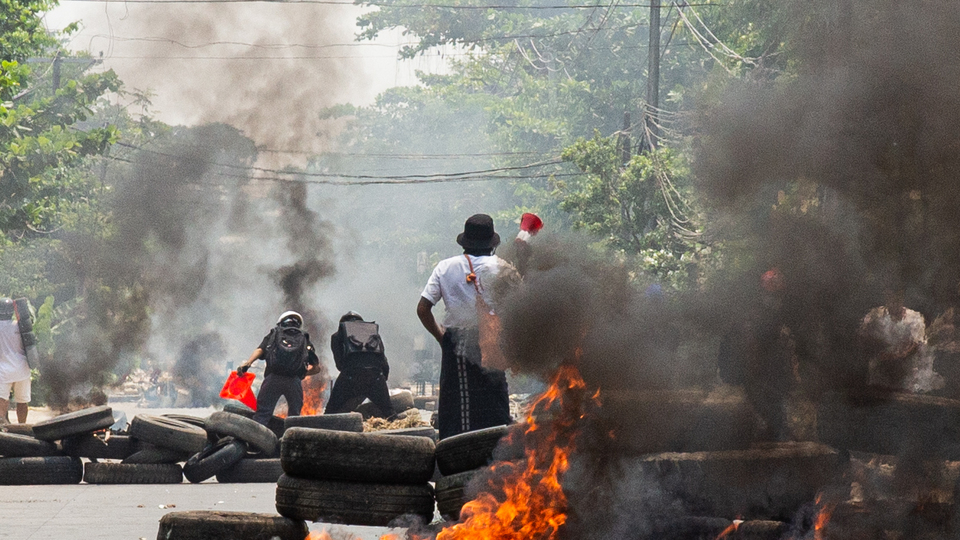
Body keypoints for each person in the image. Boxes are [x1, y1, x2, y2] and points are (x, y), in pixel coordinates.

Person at [417, 213, 514, 439]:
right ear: (492, 242)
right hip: (494, 343)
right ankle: (498, 456)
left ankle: (455, 457)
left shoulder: (445, 267)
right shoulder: (504, 268)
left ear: (465, 241)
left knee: (459, 406)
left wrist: (442, 337)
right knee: (494, 399)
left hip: (458, 344)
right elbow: (517, 311)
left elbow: (423, 309)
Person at [236, 310, 321, 425]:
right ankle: (290, 441)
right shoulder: (304, 338)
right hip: (294, 382)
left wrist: (248, 363)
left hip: (272, 379)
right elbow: (316, 368)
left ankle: (254, 441)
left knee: (262, 415)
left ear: (280, 323)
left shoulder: (275, 333)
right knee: (294, 418)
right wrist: (301, 374)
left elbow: (261, 349)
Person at [859, 288, 942, 393]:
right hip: (880, 372)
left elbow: (915, 345)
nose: (894, 301)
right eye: (890, 297)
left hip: (905, 374)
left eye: (898, 297)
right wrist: (879, 352)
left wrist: (897, 355)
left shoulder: (914, 318)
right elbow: (865, 338)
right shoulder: (874, 316)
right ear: (886, 296)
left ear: (902, 298)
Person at [324, 311, 394, 417]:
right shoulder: (374, 334)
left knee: (330, 414)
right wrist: (380, 381)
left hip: (350, 376)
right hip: (375, 376)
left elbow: (339, 365)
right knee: (390, 414)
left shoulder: (337, 335)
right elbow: (384, 362)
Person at [0, 298, 30, 424]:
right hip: (23, 369)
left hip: (3, 370)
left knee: (2, 400)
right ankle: (23, 427)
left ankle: (1, 426)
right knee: (23, 401)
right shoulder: (20, 326)